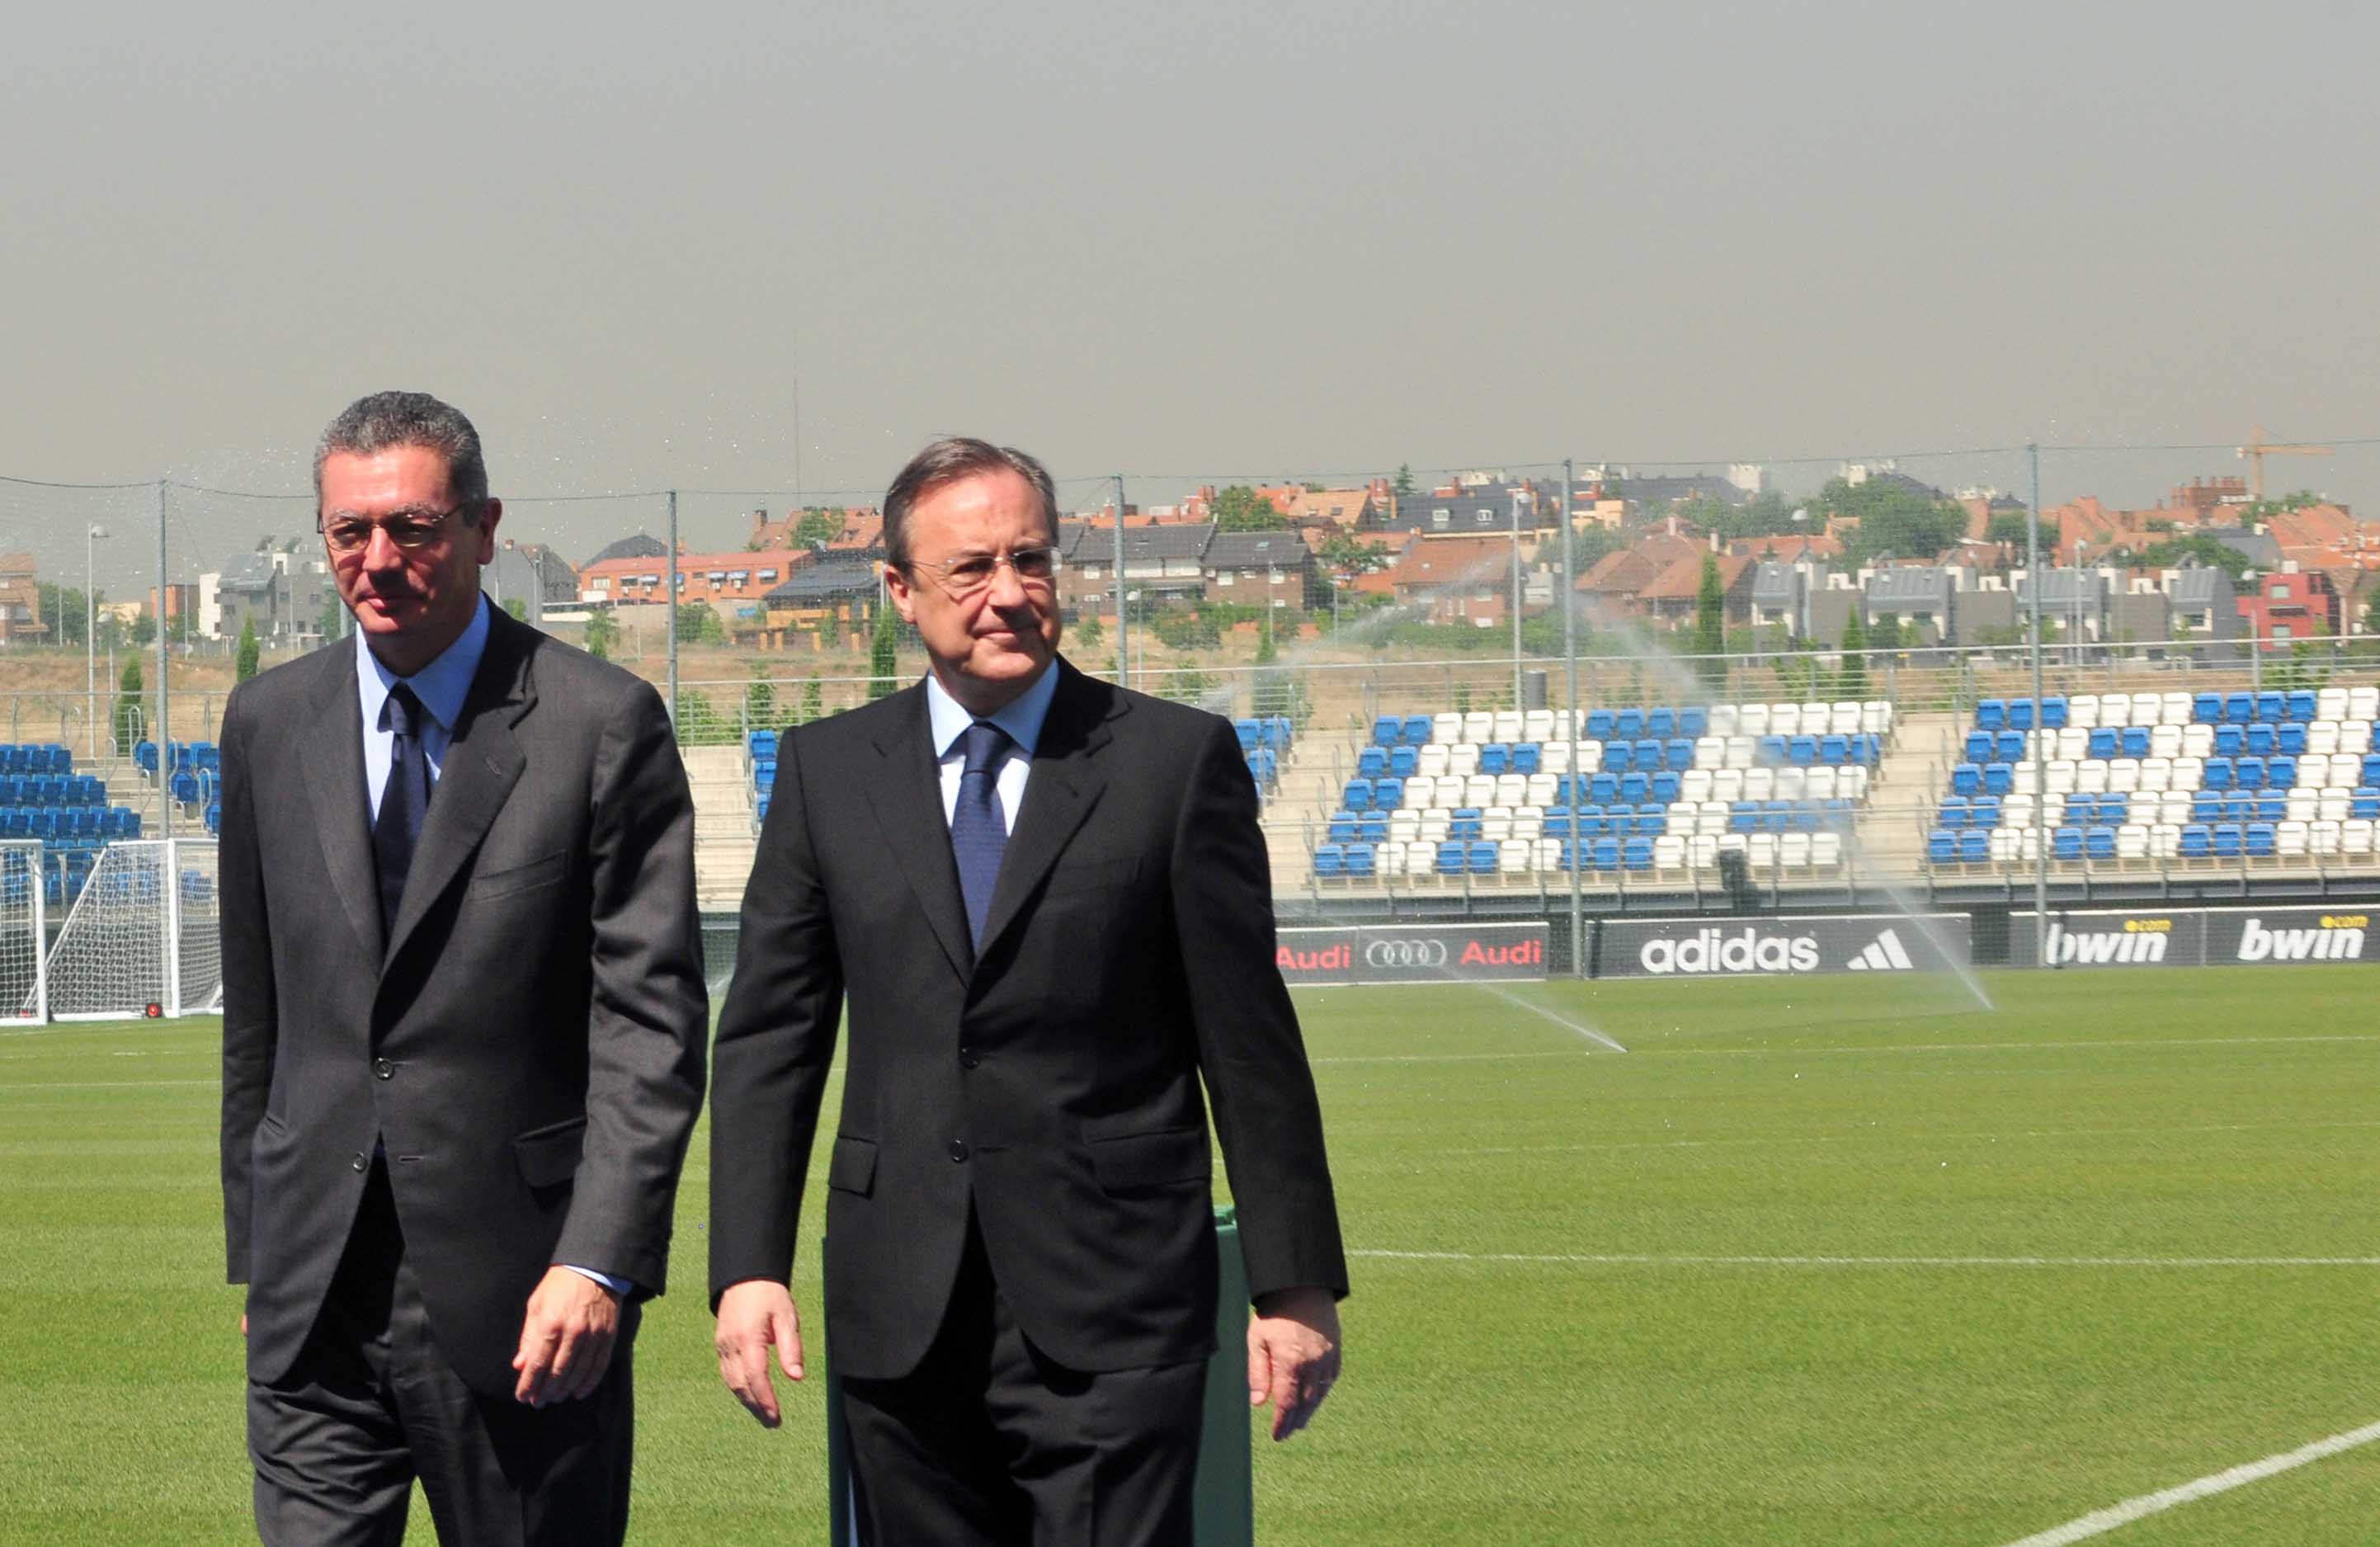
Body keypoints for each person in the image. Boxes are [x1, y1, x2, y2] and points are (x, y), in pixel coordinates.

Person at [709, 437, 1347, 1545]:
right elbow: (771, 1037)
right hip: (899, 1310)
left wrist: (1293, 1285)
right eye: (970, 568)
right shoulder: (826, 774)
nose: (1007, 593)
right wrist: (748, 1266)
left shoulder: (1172, 763)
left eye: (1030, 559)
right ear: (899, 589)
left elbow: (1248, 1042)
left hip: (1117, 1305)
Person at [219, 390, 708, 1545]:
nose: (379, 559)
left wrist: (599, 1262)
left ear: (485, 529)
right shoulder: (267, 723)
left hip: (526, 1299)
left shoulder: (599, 724)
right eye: (350, 531)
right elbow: (259, 1020)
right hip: (314, 1300)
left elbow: (649, 1028)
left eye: (414, 528)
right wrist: (263, 1255)